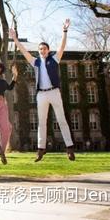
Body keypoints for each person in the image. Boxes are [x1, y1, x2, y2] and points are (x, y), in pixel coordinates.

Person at [9, 19, 76, 162]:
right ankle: (41, 149)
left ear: (48, 50)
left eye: (44, 49)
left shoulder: (55, 59)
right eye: (40, 49)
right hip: (41, 94)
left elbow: (62, 46)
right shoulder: (35, 62)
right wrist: (15, 38)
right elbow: (23, 50)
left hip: (54, 92)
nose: (42, 51)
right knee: (42, 122)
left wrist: (64, 31)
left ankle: (69, 148)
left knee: (61, 119)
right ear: (38, 51)